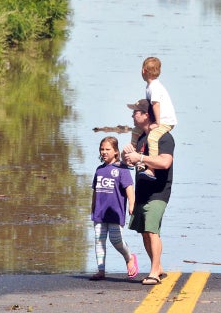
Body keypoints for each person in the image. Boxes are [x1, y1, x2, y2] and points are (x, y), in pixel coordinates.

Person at [123, 100, 175, 285]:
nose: (132, 115)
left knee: (152, 231)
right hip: (142, 191)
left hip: (159, 191)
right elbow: (137, 163)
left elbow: (165, 162)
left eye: (136, 112)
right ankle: (158, 267)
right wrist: (127, 156)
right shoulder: (141, 138)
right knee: (145, 232)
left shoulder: (164, 137)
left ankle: (154, 272)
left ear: (146, 115)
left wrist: (141, 157)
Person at [90, 136, 139, 281]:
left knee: (116, 239)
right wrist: (92, 207)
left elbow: (129, 188)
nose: (104, 152)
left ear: (116, 151)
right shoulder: (99, 170)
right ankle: (101, 270)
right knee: (99, 239)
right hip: (99, 212)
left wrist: (132, 204)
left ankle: (129, 258)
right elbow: (95, 190)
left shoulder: (121, 169)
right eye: (102, 149)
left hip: (115, 213)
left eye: (107, 149)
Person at [130, 57, 177, 180]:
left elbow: (156, 104)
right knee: (136, 131)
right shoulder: (150, 86)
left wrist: (157, 122)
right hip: (159, 119)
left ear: (143, 71)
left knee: (152, 137)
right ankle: (132, 154)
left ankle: (151, 170)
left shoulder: (154, 87)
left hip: (165, 120)